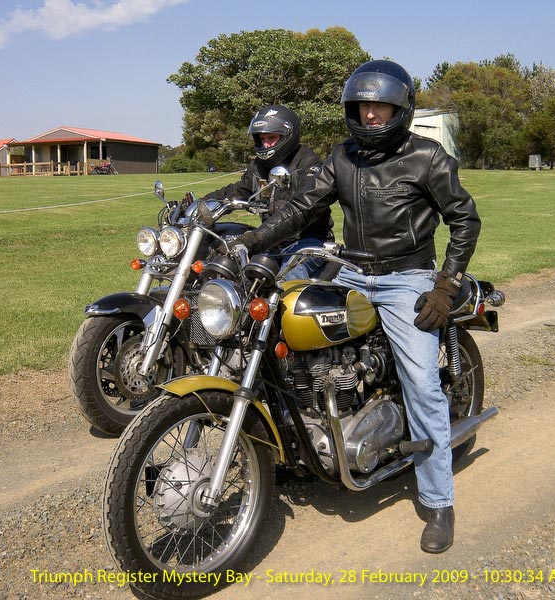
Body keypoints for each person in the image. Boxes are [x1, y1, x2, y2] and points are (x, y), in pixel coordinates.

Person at [228, 60, 481, 553]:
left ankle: (438, 500)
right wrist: (250, 242)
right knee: (279, 318)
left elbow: (465, 220)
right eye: (363, 106)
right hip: (348, 268)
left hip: (406, 277)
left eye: (380, 106)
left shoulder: (427, 157)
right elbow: (302, 208)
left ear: (400, 109)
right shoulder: (342, 157)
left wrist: (445, 285)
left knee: (422, 384)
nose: (370, 115)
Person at [203, 105, 333, 280]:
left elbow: (307, 203)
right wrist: (200, 203)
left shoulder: (308, 163)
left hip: (309, 241)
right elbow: (236, 191)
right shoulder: (258, 166)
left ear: (288, 135)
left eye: (271, 138)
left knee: (287, 276)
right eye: (262, 139)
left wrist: (279, 207)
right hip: (271, 241)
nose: (265, 144)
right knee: (235, 269)